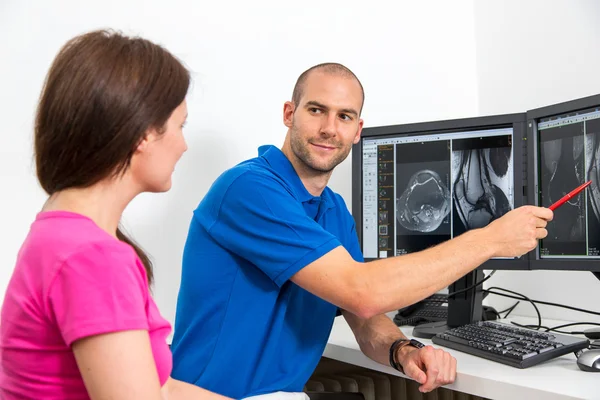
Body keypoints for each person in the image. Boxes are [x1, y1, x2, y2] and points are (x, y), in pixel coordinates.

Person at [170, 63, 553, 399]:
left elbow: (363, 317)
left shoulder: (334, 210)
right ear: (289, 114)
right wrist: (490, 239)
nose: (328, 129)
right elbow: (364, 292)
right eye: (316, 110)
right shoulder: (249, 189)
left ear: (358, 130)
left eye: (344, 116)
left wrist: (403, 350)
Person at [0, 30, 231, 400]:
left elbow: (162, 389)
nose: (184, 144)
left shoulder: (61, 232)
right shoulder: (93, 259)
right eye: (179, 126)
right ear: (142, 133)